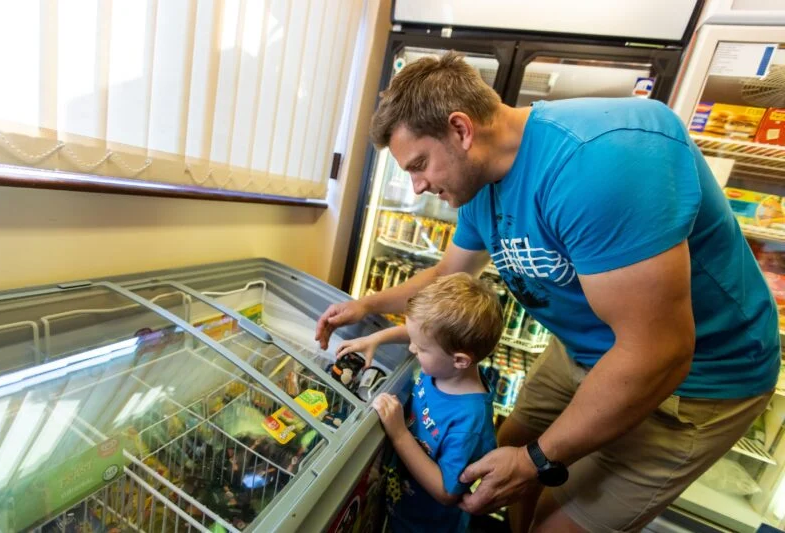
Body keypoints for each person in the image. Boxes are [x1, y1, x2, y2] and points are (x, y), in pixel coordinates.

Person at [316, 52, 781, 532]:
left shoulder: (598, 164)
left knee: (554, 518)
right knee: (504, 454)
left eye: (419, 165)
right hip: (584, 347)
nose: (416, 187)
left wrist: (539, 458)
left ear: (461, 130)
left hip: (701, 379)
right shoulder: (481, 184)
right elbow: (445, 276)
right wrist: (365, 306)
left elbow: (658, 351)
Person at [336, 273, 503, 533]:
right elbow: (421, 334)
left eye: (421, 349)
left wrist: (400, 435)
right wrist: (375, 339)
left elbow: (447, 492)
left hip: (425, 526)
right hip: (399, 503)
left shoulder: (469, 422)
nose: (412, 349)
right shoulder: (445, 367)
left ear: (460, 360)